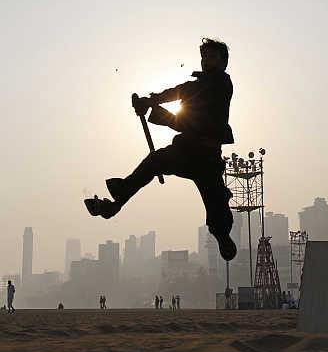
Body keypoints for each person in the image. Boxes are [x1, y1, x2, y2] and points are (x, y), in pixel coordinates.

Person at [84, 38, 237, 262]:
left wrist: (153, 106)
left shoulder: (221, 83)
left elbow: (186, 96)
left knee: (217, 207)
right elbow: (181, 93)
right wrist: (151, 102)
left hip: (207, 158)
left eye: (212, 57)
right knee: (155, 161)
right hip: (187, 152)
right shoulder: (201, 84)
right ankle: (114, 205)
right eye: (204, 57)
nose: (206, 61)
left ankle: (222, 235)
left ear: (223, 62)